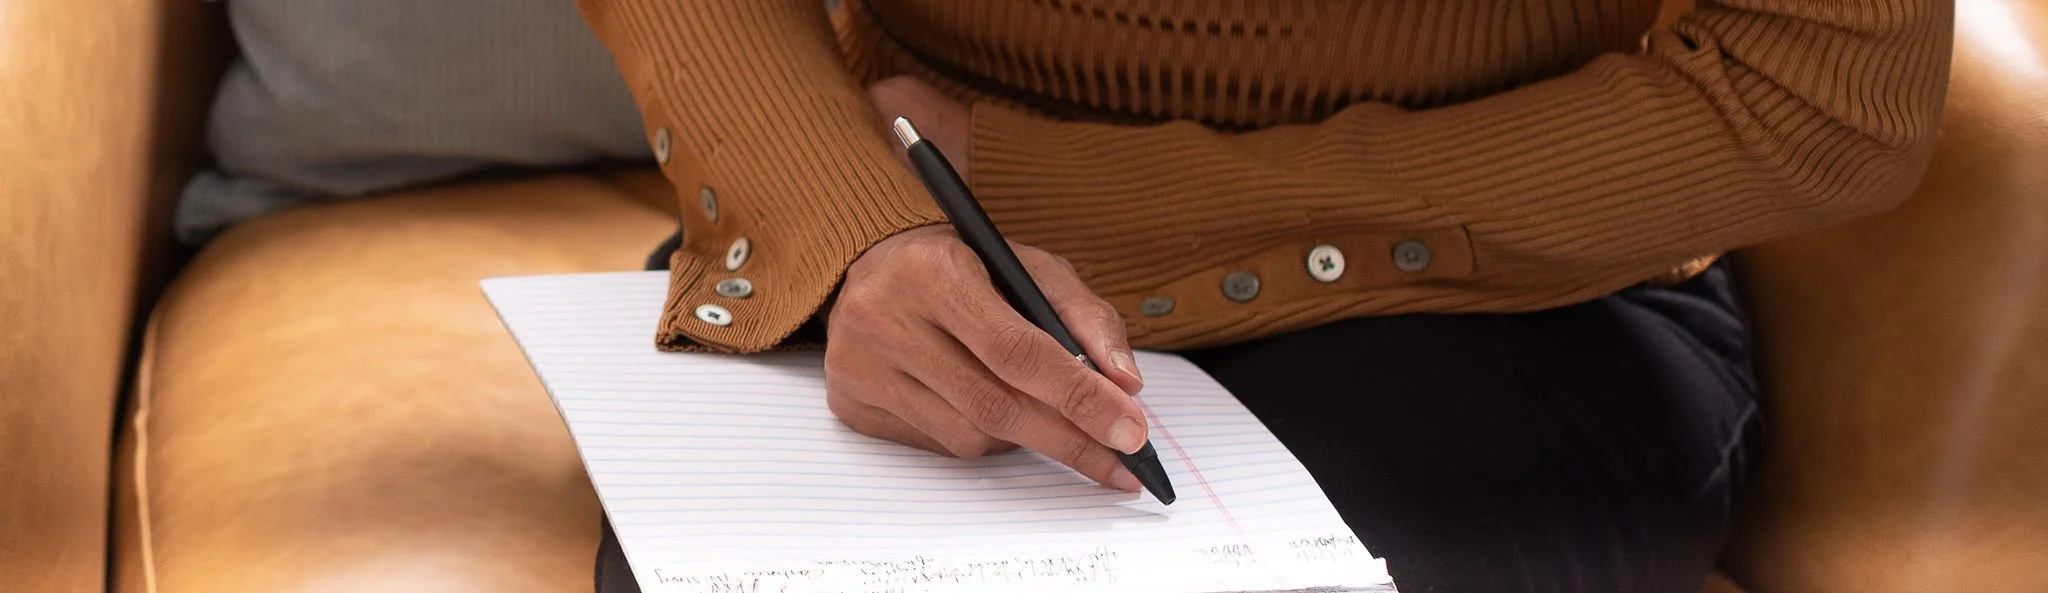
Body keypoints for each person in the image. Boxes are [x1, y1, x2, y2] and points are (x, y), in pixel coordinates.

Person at [579, 0, 1952, 590]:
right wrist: (853, 227)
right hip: (904, 242)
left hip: (1506, 308)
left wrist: (1039, 193)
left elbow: (1820, 97)